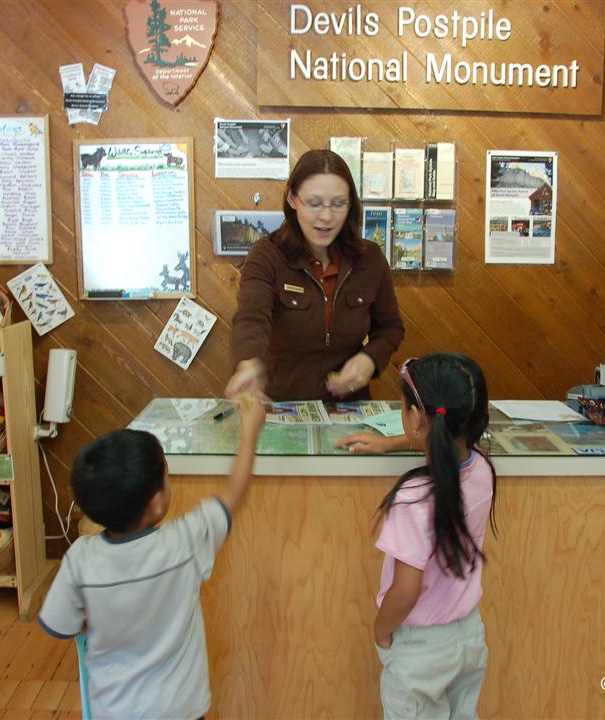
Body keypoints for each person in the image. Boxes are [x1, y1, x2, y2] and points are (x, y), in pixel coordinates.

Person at [37, 396, 266, 719]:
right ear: (156, 504)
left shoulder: (80, 559)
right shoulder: (184, 543)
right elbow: (233, 494)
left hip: (114, 710)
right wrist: (250, 430)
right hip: (181, 709)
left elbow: (59, 626)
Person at [372, 353, 497, 719]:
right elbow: (444, 443)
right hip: (469, 634)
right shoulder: (484, 470)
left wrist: (381, 629)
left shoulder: (414, 498)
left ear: (415, 419)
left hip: (420, 648)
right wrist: (394, 443)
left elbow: (406, 590)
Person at [226, 149, 404, 402]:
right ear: (292, 199)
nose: (327, 217)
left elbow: (390, 328)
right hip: (281, 404)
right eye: (314, 203)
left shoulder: (370, 258)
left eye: (339, 204)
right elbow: (251, 319)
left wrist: (370, 359)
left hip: (348, 406)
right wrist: (248, 363)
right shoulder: (267, 255)